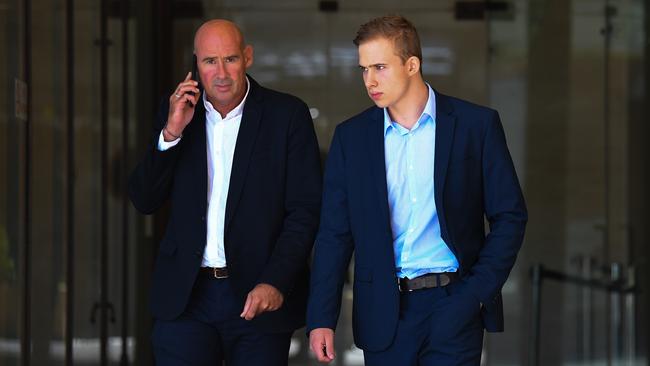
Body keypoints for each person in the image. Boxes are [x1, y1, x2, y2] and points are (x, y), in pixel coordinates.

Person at [306, 15, 527, 366]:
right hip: (383, 311)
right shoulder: (352, 138)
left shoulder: (476, 126)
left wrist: (474, 295)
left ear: (412, 64)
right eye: (364, 69)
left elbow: (510, 217)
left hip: (454, 303)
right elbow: (335, 233)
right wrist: (320, 318)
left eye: (379, 67)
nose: (370, 80)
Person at [128, 19, 322, 366]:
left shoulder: (287, 116)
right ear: (195, 63)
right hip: (186, 297)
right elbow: (144, 199)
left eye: (230, 59)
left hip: (257, 296)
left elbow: (304, 212)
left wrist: (275, 281)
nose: (221, 73)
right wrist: (171, 133)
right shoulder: (176, 112)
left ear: (247, 57)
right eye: (209, 61)